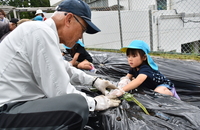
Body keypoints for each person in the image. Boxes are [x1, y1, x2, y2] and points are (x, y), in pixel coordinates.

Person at [0, 0, 121, 129]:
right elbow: (60, 91)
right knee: (77, 105)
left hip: (16, 107)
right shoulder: (40, 32)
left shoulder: (40, 31)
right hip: (6, 111)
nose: (80, 36)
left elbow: (63, 67)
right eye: (83, 29)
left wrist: (94, 81)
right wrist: (96, 102)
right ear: (69, 19)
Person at [108, 40, 180, 100]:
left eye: (134, 56)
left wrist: (122, 90)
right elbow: (127, 77)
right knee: (131, 82)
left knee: (158, 92)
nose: (130, 59)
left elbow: (138, 81)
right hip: (150, 86)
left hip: (163, 85)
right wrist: (123, 82)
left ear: (144, 57)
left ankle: (171, 93)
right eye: (128, 56)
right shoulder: (134, 68)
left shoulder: (146, 68)